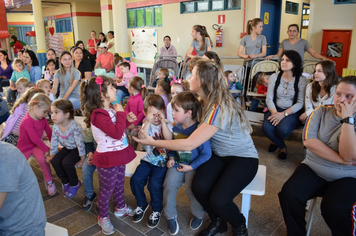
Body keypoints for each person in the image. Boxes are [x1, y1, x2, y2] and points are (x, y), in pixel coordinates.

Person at [133, 59, 259, 236]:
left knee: (219, 199)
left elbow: (189, 143)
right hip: (219, 155)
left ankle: (239, 224)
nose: (189, 77)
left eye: (192, 75)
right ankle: (218, 221)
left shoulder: (218, 107)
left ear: (201, 82)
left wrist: (151, 142)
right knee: (199, 187)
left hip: (243, 158)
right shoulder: (204, 101)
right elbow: (183, 119)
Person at [279, 76, 356, 236]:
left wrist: (348, 120)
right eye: (338, 94)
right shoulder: (320, 111)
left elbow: (349, 153)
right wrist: (344, 160)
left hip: (348, 177)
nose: (341, 100)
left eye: (349, 96)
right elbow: (309, 142)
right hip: (314, 168)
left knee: (335, 209)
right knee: (289, 195)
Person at [80, 76, 137, 235]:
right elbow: (117, 134)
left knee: (119, 184)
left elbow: (118, 129)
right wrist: (121, 113)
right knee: (107, 189)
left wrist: (126, 120)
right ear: (102, 95)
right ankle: (103, 217)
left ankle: (120, 207)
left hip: (119, 155)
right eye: (111, 87)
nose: (115, 90)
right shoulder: (98, 115)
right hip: (108, 159)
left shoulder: (110, 109)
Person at [163, 91, 211, 235]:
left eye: (176, 110)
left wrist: (191, 166)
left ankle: (198, 215)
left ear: (189, 113)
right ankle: (170, 215)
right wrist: (171, 157)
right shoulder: (176, 127)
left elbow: (206, 153)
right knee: (168, 186)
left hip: (193, 166)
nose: (172, 113)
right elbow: (174, 145)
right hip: (178, 163)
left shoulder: (199, 130)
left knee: (192, 191)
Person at [130, 94, 173, 228]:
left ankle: (156, 208)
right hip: (148, 160)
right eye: (152, 115)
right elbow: (142, 137)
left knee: (154, 184)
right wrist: (147, 122)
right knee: (135, 179)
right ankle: (142, 203)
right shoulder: (145, 124)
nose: (155, 118)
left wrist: (163, 122)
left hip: (162, 162)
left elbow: (168, 140)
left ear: (163, 112)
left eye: (158, 114)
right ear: (145, 114)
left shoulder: (167, 124)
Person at [263, 50, 307, 161]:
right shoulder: (274, 77)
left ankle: (275, 141)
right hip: (275, 109)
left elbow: (300, 102)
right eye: (282, 59)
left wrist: (283, 114)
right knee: (266, 128)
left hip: (291, 112)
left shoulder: (301, 80)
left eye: (287, 60)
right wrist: (275, 113)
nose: (283, 62)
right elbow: (269, 98)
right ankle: (282, 146)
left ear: (295, 63)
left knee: (282, 131)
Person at [0, 141, 47, 236]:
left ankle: (51, 182)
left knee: (44, 160)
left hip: (21, 231)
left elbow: (36, 137)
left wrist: (47, 149)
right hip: (24, 146)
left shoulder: (5, 154)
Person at [17, 93, 57, 196]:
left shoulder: (42, 119)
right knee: (20, 164)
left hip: (35, 146)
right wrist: (47, 149)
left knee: (42, 160)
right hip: (24, 148)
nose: (46, 115)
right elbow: (34, 138)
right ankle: (16, 182)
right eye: (45, 112)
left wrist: (53, 145)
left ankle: (49, 181)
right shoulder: (26, 121)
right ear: (35, 108)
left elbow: (49, 131)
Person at [47, 99, 85, 198]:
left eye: (56, 112)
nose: (52, 115)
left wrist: (82, 159)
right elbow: (54, 141)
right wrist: (52, 155)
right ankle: (65, 182)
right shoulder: (56, 126)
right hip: (67, 148)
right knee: (55, 161)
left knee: (66, 162)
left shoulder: (75, 126)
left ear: (66, 115)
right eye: (52, 112)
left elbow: (80, 144)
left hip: (77, 149)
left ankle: (74, 183)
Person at [125, 76, 148, 149]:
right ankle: (126, 148)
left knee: (133, 134)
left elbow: (141, 113)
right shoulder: (131, 97)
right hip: (130, 121)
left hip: (138, 123)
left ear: (132, 88)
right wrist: (128, 120)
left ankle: (133, 150)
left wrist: (134, 123)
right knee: (123, 131)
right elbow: (126, 109)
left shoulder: (140, 99)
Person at [82, 127, 98, 212]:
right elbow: (88, 142)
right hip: (94, 152)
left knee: (102, 173)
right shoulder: (92, 127)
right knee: (85, 169)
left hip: (106, 153)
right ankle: (89, 194)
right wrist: (90, 154)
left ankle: (102, 199)